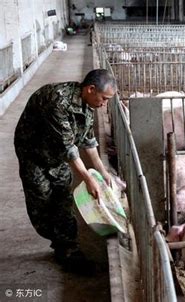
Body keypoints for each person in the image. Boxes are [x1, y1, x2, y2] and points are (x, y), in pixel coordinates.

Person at [14, 69, 117, 275]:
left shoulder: (87, 104)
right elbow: (69, 148)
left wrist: (103, 171)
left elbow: (87, 141)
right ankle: (59, 240)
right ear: (90, 89)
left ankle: (68, 249)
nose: (104, 104)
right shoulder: (57, 102)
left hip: (57, 155)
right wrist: (88, 178)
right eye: (104, 99)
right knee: (42, 204)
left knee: (62, 197)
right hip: (34, 155)